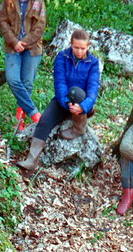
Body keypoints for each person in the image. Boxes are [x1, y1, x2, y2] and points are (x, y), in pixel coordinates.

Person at [17, 29, 100, 171]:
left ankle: (79, 128)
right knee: (44, 121)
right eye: (76, 48)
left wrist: (83, 106)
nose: (79, 51)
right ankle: (32, 160)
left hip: (82, 101)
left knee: (79, 93)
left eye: (83, 48)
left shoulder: (93, 62)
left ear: (88, 47)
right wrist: (67, 103)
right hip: (64, 100)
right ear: (70, 44)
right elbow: (60, 83)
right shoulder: (62, 57)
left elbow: (93, 89)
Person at [0, 0, 46, 130]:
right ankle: (34, 113)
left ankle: (20, 120)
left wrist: (23, 43)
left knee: (27, 83)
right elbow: (2, 23)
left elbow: (40, 27)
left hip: (32, 48)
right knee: (12, 79)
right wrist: (14, 42)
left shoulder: (38, 0)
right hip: (12, 47)